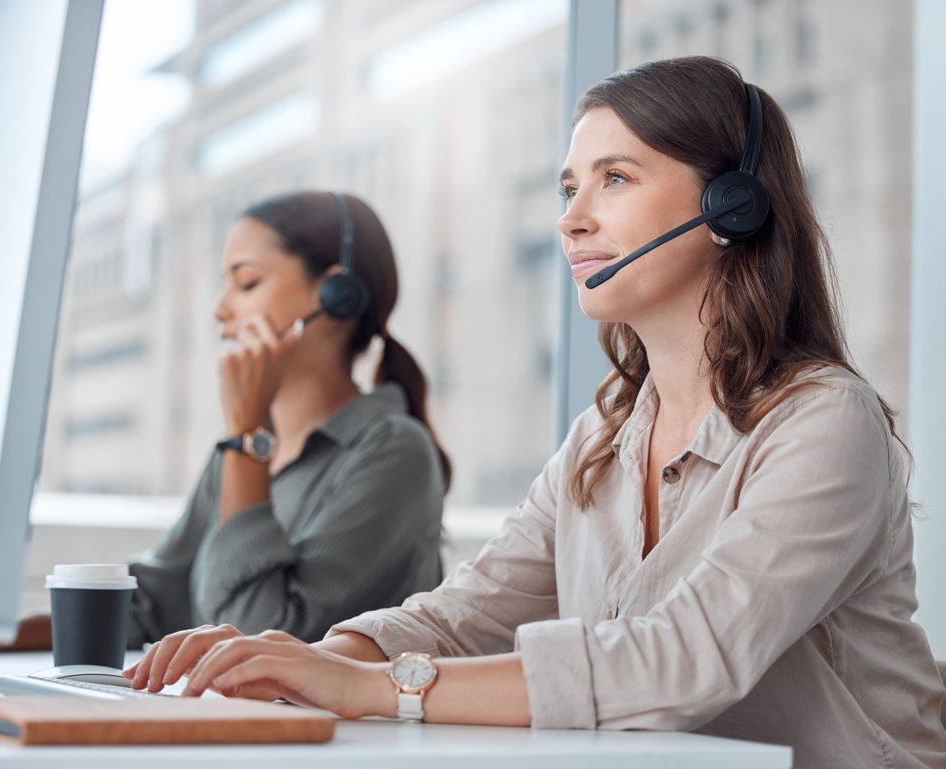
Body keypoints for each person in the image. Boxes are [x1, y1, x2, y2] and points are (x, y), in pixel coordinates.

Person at [123, 58, 946, 768]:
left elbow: (686, 657)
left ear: (732, 205)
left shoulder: (822, 422)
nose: (570, 216)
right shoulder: (604, 437)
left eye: (614, 178)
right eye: (567, 186)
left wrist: (375, 687)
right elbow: (464, 613)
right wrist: (306, 658)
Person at [0, 190, 450, 652]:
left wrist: (246, 436)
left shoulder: (393, 451)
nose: (221, 309)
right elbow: (151, 603)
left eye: (246, 283)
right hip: (238, 726)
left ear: (335, 294)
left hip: (324, 735)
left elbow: (255, 635)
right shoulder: (245, 449)